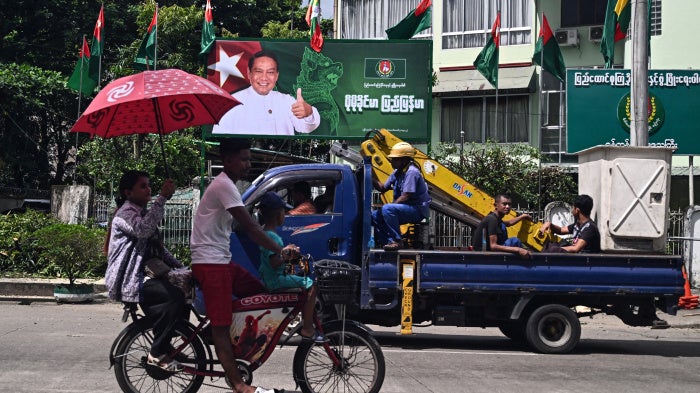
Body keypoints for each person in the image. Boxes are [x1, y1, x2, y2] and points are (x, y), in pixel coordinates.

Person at [190, 138, 298, 393]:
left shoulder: (230, 187)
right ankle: (238, 383)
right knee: (221, 324)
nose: (249, 164)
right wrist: (280, 250)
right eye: (244, 159)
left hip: (220, 261)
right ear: (228, 160)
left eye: (250, 158)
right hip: (211, 264)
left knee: (260, 294)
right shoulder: (224, 185)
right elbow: (250, 227)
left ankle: (230, 344)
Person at [105, 171, 187, 371]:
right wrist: (162, 198)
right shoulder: (125, 213)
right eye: (143, 186)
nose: (148, 189)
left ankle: (167, 341)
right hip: (129, 279)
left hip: (146, 275)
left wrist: (181, 267)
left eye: (149, 185)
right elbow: (143, 230)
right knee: (174, 296)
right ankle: (157, 353)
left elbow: (158, 248)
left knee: (187, 288)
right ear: (128, 192)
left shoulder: (141, 212)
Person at [256, 192, 327, 343]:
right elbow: (274, 262)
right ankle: (307, 328)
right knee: (311, 285)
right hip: (276, 280)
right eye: (283, 212)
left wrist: (288, 252)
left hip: (273, 277)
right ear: (277, 214)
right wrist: (287, 253)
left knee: (303, 277)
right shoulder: (271, 236)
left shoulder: (266, 233)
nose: (285, 215)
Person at [214, 50, 321, 136]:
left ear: (277, 75)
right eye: (259, 71)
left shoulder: (287, 101)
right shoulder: (231, 103)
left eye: (270, 72)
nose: (264, 78)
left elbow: (306, 127)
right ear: (249, 73)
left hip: (282, 161)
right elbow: (220, 139)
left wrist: (309, 112)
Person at [372, 142, 431, 251]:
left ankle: (397, 241)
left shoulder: (412, 172)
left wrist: (389, 209)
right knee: (374, 216)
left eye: (395, 159)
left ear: (405, 160)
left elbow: (406, 196)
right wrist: (369, 175)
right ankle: (389, 243)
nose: (391, 162)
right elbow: (382, 188)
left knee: (387, 209)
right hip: (405, 208)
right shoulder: (397, 172)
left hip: (417, 210)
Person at [471, 193, 532, 258]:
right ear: (496, 205)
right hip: (484, 256)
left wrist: (522, 216)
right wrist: (519, 250)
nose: (507, 207)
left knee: (503, 226)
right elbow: (493, 246)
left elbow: (509, 223)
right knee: (515, 241)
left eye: (509, 204)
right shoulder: (492, 219)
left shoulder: (496, 218)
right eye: (504, 204)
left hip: (487, 252)